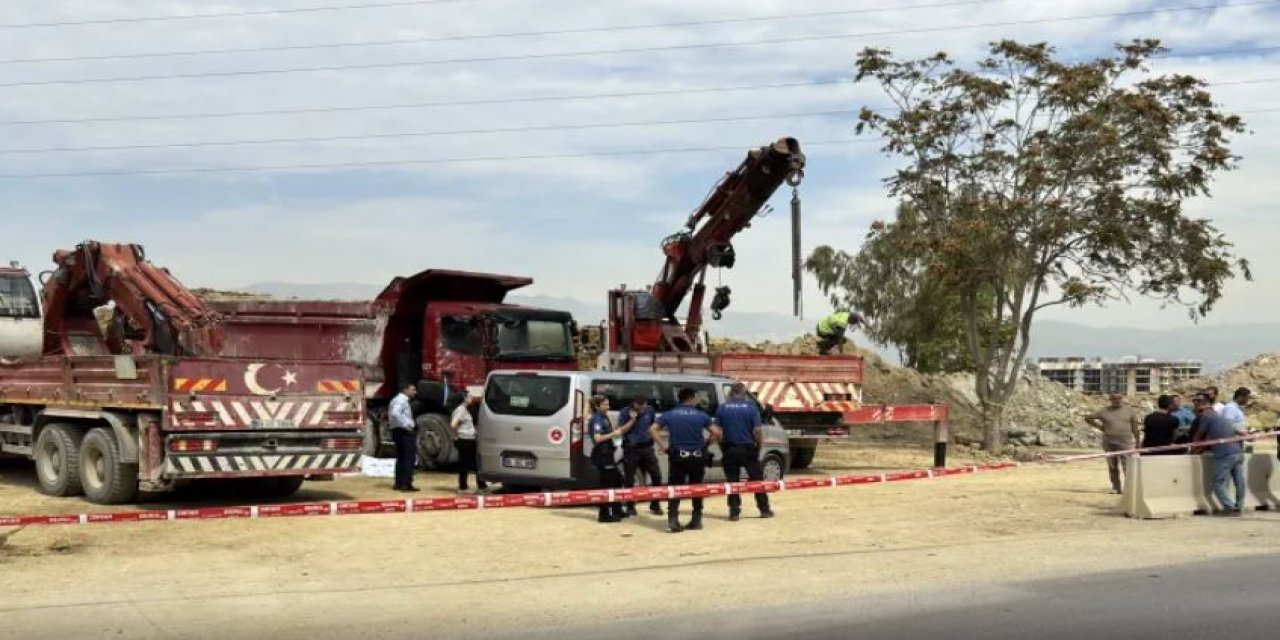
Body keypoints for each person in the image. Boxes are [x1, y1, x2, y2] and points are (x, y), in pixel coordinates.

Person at [651, 387, 715, 533]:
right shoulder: (701, 415)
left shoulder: (670, 414)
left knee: (675, 488)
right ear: (691, 398)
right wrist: (706, 444)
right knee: (696, 488)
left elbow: (652, 429)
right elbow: (716, 432)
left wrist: (663, 446)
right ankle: (696, 519)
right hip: (697, 456)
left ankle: (673, 520)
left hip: (678, 456)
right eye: (696, 398)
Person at [713, 382, 775, 521]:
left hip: (730, 448)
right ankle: (764, 509)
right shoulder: (751, 408)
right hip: (748, 448)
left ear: (731, 393)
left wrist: (722, 446)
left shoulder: (722, 409)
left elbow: (717, 432)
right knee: (757, 480)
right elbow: (757, 430)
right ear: (743, 392)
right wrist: (759, 445)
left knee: (732, 481)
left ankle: (734, 512)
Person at [1193, 393, 1245, 514]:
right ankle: (1239, 506)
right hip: (1237, 450)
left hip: (1224, 453)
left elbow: (1199, 435)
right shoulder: (1220, 417)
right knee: (1239, 481)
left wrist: (1193, 448)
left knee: (1218, 483)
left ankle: (1229, 507)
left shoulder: (1207, 416)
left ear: (1201, 406)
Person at [1084, 393, 1141, 494]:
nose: (1117, 400)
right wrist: (1099, 427)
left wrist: (1138, 442)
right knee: (1112, 466)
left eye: (1119, 398)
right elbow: (1088, 418)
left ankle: (1129, 487)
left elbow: (1135, 428)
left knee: (1127, 466)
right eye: (1115, 398)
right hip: (1109, 442)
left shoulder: (1129, 411)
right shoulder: (1104, 411)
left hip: (1125, 443)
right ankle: (1116, 487)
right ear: (1110, 399)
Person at [588, 395, 631, 523]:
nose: (608, 407)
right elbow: (597, 438)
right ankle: (604, 514)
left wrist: (630, 422)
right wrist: (613, 434)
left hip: (609, 453)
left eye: (608, 404)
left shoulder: (604, 417)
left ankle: (617, 510)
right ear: (597, 406)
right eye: (605, 405)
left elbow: (616, 431)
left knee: (618, 480)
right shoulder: (596, 419)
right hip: (602, 454)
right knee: (606, 485)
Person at [618, 395, 663, 517]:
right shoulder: (625, 412)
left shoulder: (650, 410)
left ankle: (655, 504)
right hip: (631, 449)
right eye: (639, 406)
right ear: (634, 404)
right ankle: (630, 506)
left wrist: (659, 443)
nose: (642, 408)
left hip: (647, 448)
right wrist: (632, 420)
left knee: (657, 476)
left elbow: (653, 427)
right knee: (629, 478)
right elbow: (621, 431)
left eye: (644, 405)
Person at [450, 393, 488, 495]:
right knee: (466, 464)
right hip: (465, 440)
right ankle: (463, 486)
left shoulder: (465, 409)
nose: (471, 398)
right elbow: (453, 424)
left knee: (472, 463)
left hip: (469, 439)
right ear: (464, 399)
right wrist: (456, 435)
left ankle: (480, 485)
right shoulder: (461, 410)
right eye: (469, 396)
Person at [388, 382, 420, 492]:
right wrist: (408, 424)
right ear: (405, 390)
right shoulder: (402, 400)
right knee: (409, 458)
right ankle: (406, 483)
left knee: (401, 457)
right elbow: (395, 413)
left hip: (397, 431)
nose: (415, 392)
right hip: (404, 432)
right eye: (413, 390)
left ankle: (399, 482)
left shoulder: (396, 399)